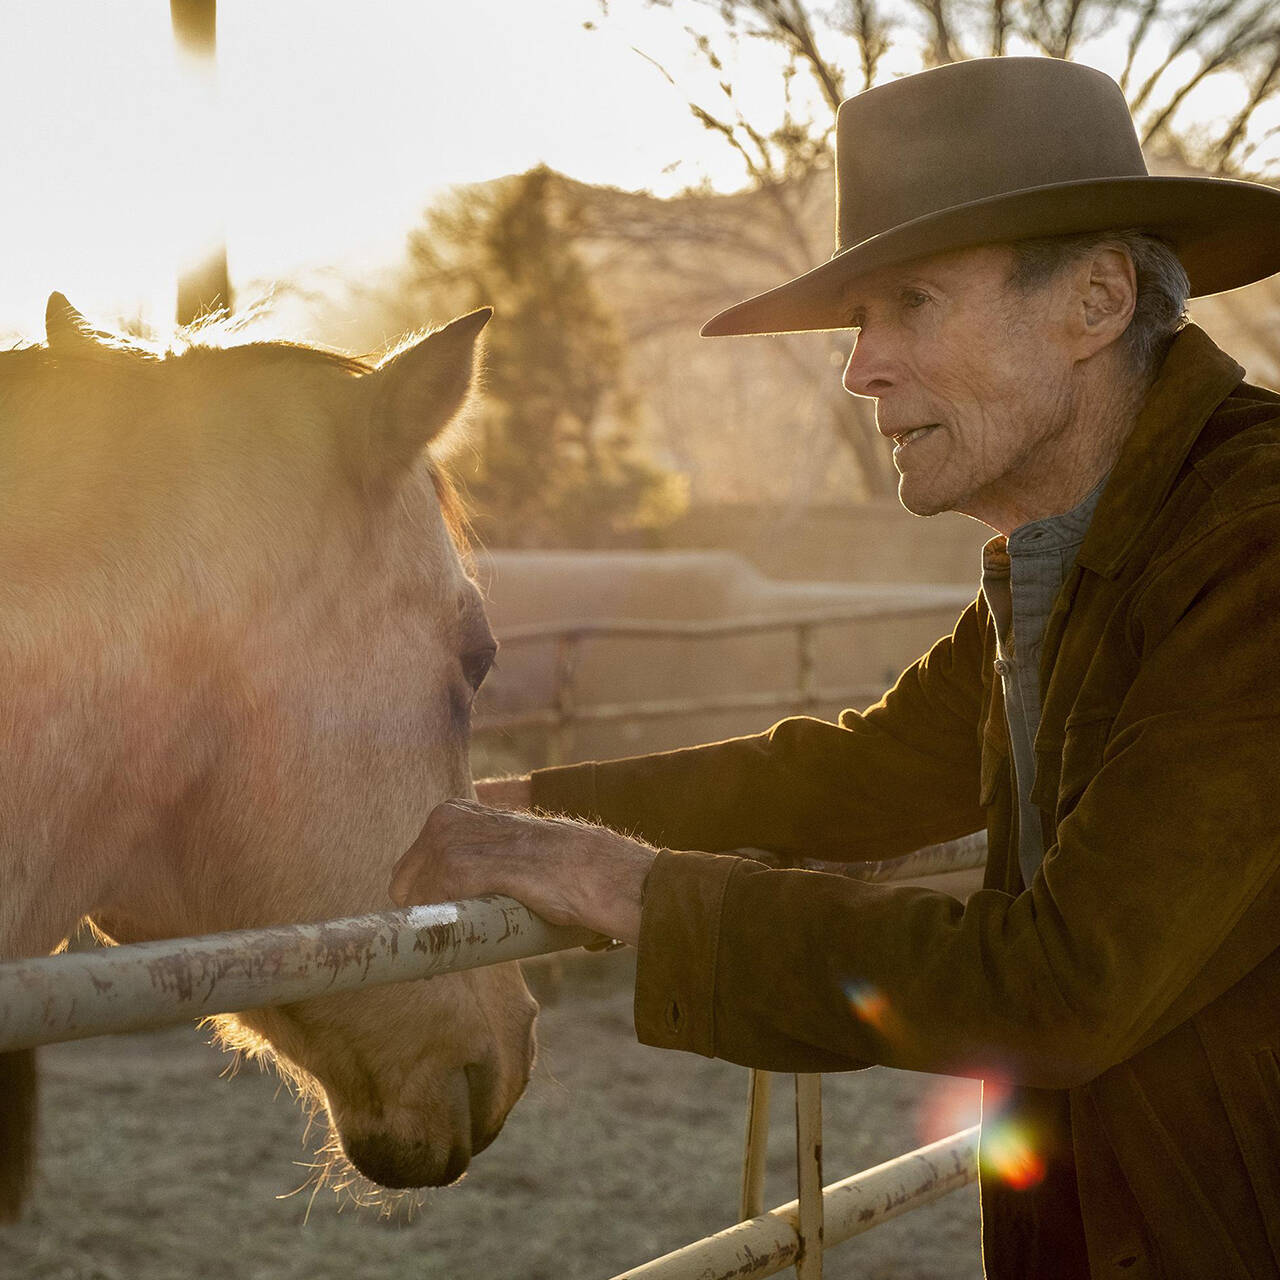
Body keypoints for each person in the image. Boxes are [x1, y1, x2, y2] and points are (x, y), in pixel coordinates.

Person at [390, 57, 1280, 1278]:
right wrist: (524, 817)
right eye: (861, 319)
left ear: (1096, 299)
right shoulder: (1081, 547)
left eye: (908, 302)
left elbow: (1063, 984)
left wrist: (639, 891)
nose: (859, 366)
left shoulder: (1253, 545)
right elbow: (864, 773)